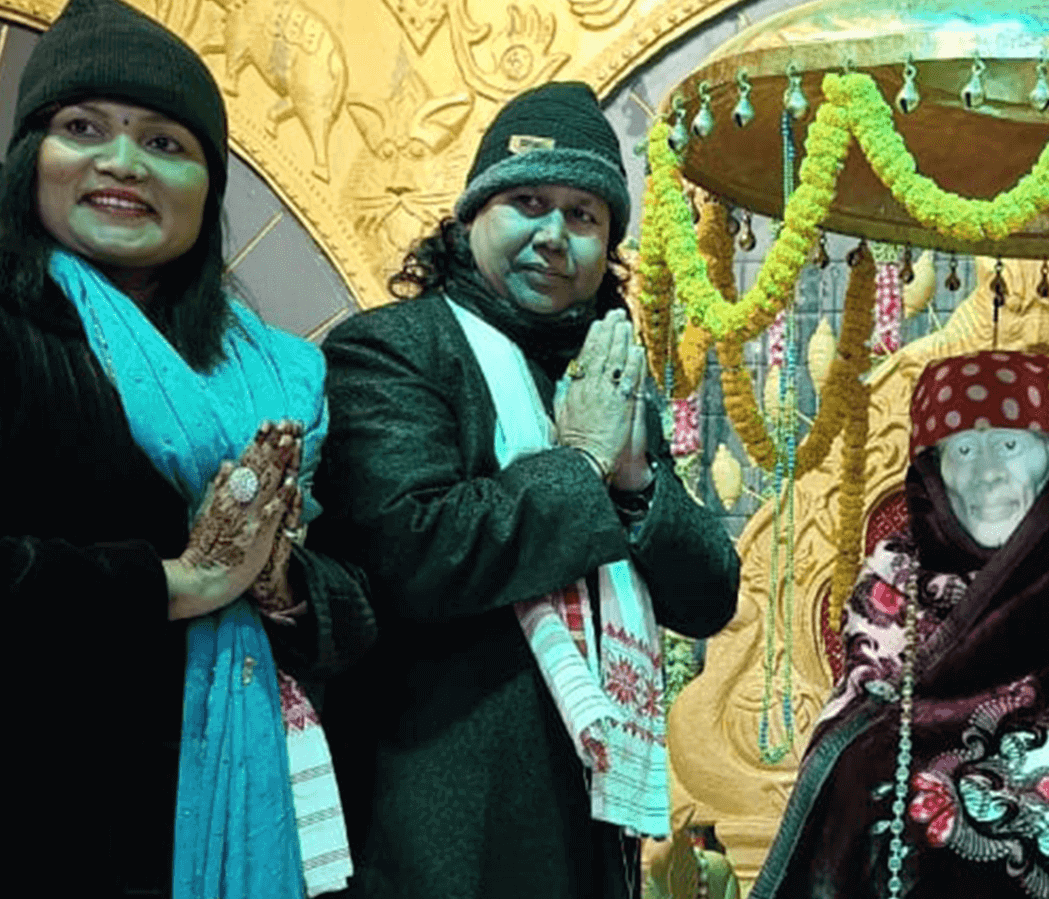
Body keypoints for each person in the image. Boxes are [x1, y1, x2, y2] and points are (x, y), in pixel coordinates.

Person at [313, 81, 740, 899]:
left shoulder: (601, 374)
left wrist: (635, 481)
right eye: (528, 203)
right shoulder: (393, 350)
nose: (553, 235)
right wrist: (581, 462)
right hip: (437, 828)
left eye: (583, 216)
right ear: (471, 216)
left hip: (587, 826)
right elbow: (417, 551)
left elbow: (709, 595)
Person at [0, 0, 373, 895]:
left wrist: (281, 580)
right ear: (29, 158)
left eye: (164, 142)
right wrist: (178, 582)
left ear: (209, 188)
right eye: (83, 128)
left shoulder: (277, 374)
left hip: (212, 808)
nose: (123, 163)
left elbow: (362, 594)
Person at [752, 351, 1049, 899]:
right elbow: (866, 717)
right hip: (926, 796)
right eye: (963, 451)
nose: (985, 474)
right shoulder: (898, 568)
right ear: (934, 470)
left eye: (1008, 446)